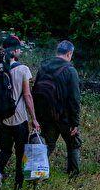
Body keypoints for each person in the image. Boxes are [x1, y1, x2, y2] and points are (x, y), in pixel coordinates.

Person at [0, 35, 40, 190]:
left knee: (5, 150)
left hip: (1, 120)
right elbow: (27, 96)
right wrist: (34, 119)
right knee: (20, 153)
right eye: (19, 49)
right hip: (19, 119)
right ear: (15, 51)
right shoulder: (23, 70)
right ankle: (18, 188)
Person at [34, 40, 81, 177]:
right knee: (73, 144)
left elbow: (35, 91)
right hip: (64, 116)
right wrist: (75, 122)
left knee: (48, 145)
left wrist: (37, 117)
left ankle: (36, 172)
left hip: (46, 115)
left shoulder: (43, 67)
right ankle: (73, 175)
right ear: (69, 53)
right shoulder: (70, 70)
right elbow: (74, 99)